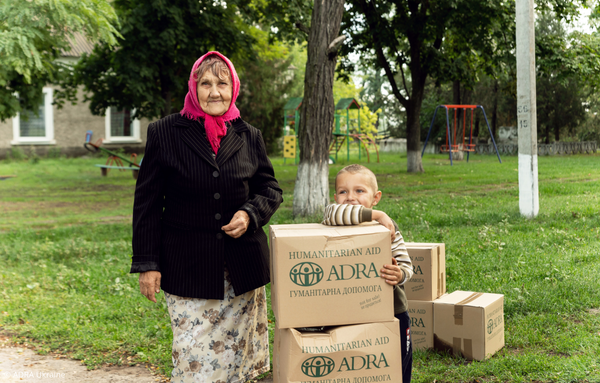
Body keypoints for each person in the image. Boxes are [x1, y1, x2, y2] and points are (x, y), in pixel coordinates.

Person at [130, 51, 283, 383]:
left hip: (241, 270)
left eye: (223, 83)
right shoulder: (165, 132)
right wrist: (147, 263)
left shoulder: (248, 135)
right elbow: (147, 203)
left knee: (238, 361)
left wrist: (250, 213)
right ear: (193, 87)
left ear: (234, 88)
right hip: (187, 267)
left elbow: (270, 188)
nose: (215, 92)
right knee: (193, 361)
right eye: (206, 83)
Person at [322, 164, 413, 383]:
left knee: (396, 363)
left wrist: (399, 274)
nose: (350, 197)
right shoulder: (334, 221)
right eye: (343, 192)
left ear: (376, 196)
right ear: (335, 196)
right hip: (345, 312)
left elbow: (407, 266)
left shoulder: (388, 229)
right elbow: (333, 211)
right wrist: (377, 214)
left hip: (391, 310)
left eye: (359, 191)